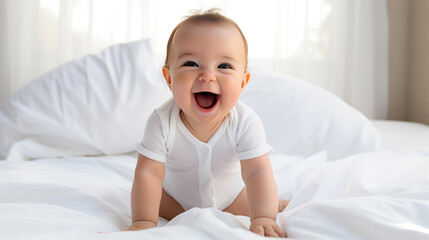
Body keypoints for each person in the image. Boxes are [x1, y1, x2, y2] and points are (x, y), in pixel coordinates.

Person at [125, 9, 288, 237]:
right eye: (191, 63)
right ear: (169, 79)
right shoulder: (161, 121)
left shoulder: (245, 122)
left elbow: (257, 172)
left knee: (257, 197)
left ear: (243, 83)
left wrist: (263, 217)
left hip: (232, 201)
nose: (207, 75)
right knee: (152, 193)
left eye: (224, 66)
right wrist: (143, 220)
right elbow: (148, 173)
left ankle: (274, 204)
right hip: (175, 204)